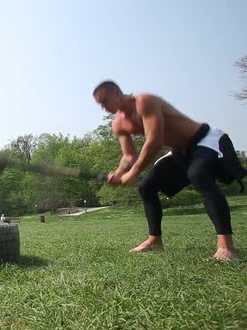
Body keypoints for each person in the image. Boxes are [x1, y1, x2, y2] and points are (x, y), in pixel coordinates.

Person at [92, 80, 246, 261]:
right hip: (179, 151)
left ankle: (226, 248)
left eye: (105, 101)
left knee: (198, 175)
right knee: (146, 187)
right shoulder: (118, 124)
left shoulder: (144, 101)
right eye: (99, 104)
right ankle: (155, 241)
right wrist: (118, 173)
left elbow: (154, 141)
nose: (103, 107)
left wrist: (133, 173)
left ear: (117, 92)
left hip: (204, 139)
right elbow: (128, 156)